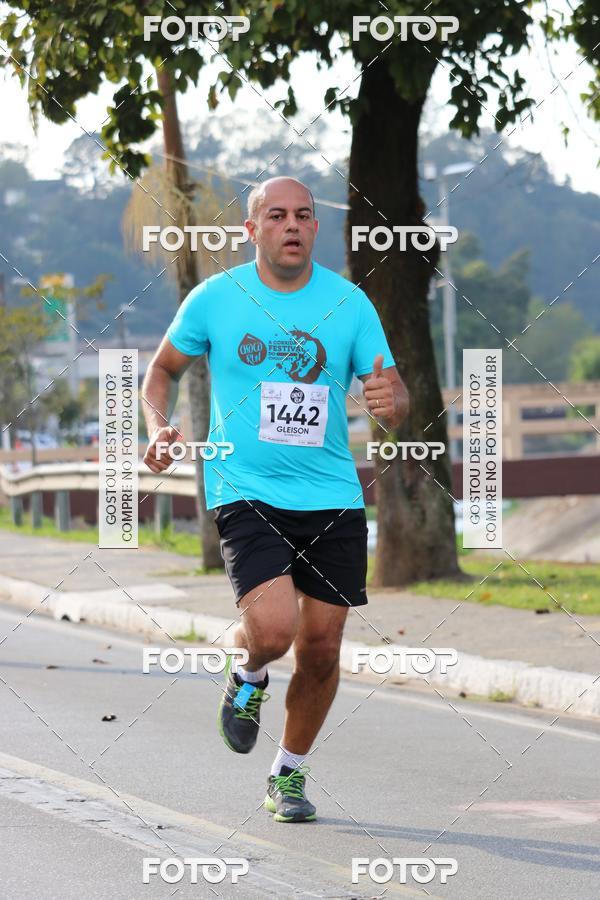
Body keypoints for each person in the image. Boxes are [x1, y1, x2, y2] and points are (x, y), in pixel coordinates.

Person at [142, 176, 409, 823]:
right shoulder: (216, 299)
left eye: (305, 216)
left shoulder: (349, 304)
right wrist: (158, 426)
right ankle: (248, 672)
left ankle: (287, 775)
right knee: (273, 630)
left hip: (333, 497)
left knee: (320, 649)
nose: (292, 225)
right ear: (253, 229)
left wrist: (390, 404)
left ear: (316, 229)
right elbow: (161, 372)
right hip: (245, 489)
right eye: (277, 215)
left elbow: (394, 393)